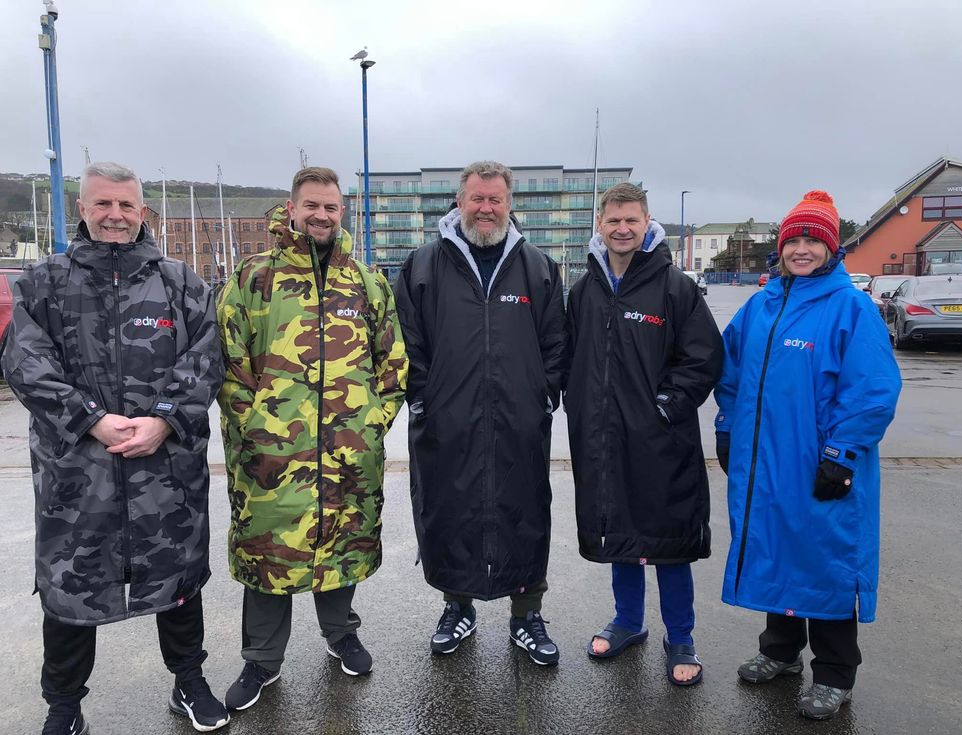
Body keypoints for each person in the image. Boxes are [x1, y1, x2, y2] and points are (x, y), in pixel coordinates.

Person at [2, 162, 228, 734]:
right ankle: (64, 704)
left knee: (178, 579)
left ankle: (189, 680)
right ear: (82, 209)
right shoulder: (43, 283)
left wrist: (164, 420)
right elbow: (26, 364)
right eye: (103, 204)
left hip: (165, 470)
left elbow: (206, 359)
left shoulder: (180, 283)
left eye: (126, 205)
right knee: (69, 587)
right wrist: (92, 420)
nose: (115, 215)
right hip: (78, 474)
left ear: (142, 212)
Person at [217, 166, 406, 709]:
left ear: (341, 211)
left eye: (330, 207)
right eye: (312, 206)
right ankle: (261, 661)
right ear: (292, 208)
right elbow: (228, 364)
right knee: (268, 554)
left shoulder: (366, 282)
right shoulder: (254, 278)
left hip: (349, 453)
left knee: (342, 543)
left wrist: (371, 423)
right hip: (271, 456)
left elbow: (393, 363)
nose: (321, 216)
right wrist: (254, 427)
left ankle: (341, 634)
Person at [714, 191, 901, 720]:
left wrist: (841, 453)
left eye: (813, 241)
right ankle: (781, 651)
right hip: (765, 464)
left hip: (821, 462)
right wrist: (727, 426)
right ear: (780, 248)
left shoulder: (851, 308)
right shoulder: (761, 305)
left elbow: (873, 390)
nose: (801, 249)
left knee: (826, 561)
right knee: (777, 549)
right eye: (793, 240)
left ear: (831, 249)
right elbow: (728, 371)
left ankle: (835, 674)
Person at [395, 161, 566, 665]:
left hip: (519, 422)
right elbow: (407, 342)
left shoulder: (537, 267)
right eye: (477, 199)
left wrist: (542, 398)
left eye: (495, 199)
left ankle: (527, 614)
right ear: (460, 201)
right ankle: (457, 607)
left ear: (509, 204)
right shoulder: (423, 265)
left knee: (525, 512)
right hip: (447, 421)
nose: (486, 208)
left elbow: (556, 342)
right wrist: (423, 399)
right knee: (452, 512)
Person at [564, 183, 722, 685]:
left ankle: (681, 636)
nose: (622, 229)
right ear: (600, 224)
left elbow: (703, 358)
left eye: (631, 220)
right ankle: (628, 621)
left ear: (647, 222)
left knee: (668, 540)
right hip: (603, 438)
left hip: (661, 438)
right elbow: (568, 357)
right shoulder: (584, 290)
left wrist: (666, 407)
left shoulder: (675, 288)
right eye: (613, 220)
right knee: (619, 530)